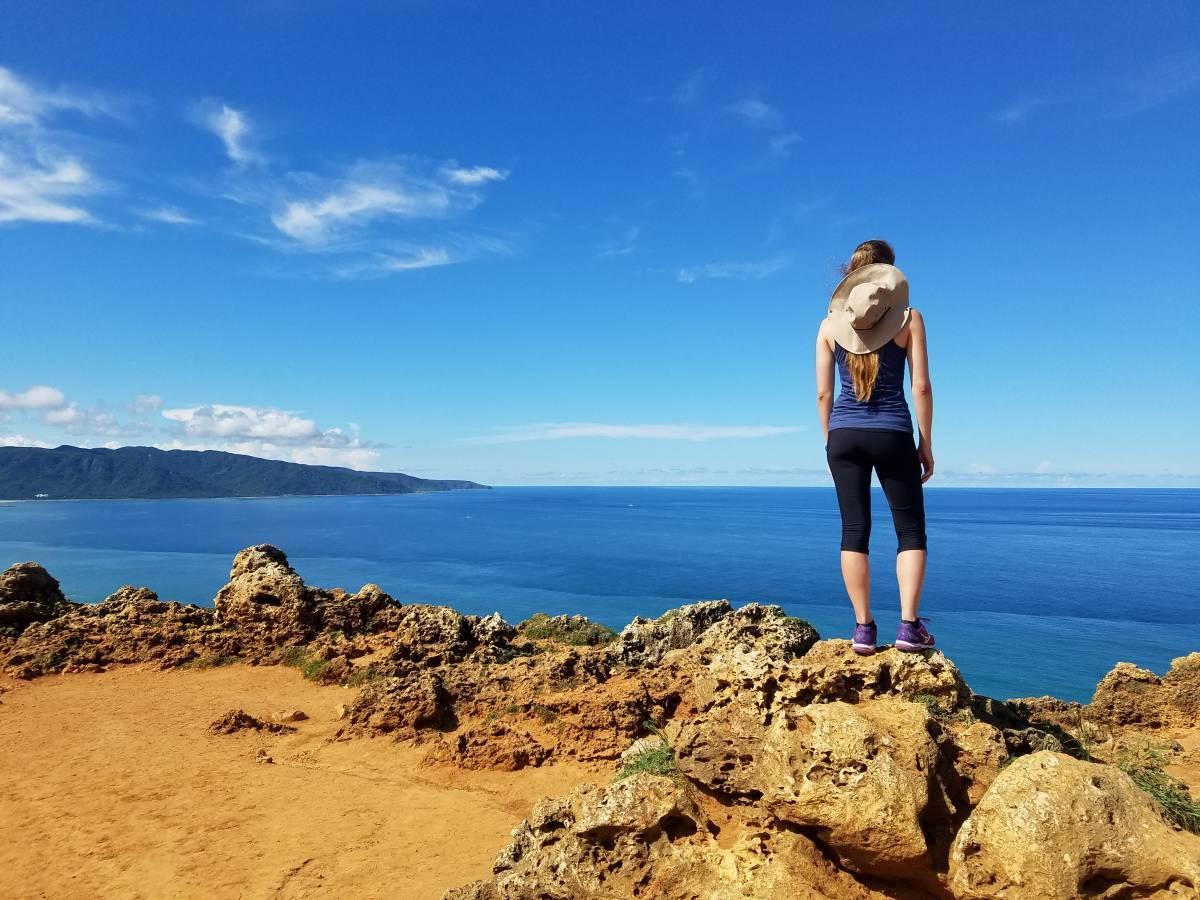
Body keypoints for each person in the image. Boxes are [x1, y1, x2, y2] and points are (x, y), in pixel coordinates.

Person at [815, 239, 935, 655]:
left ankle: (863, 630)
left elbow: (823, 396)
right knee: (910, 532)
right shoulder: (909, 319)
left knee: (853, 533)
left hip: (844, 436)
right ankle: (908, 627)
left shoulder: (829, 326)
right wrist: (926, 442)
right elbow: (920, 385)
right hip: (893, 433)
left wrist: (831, 444)